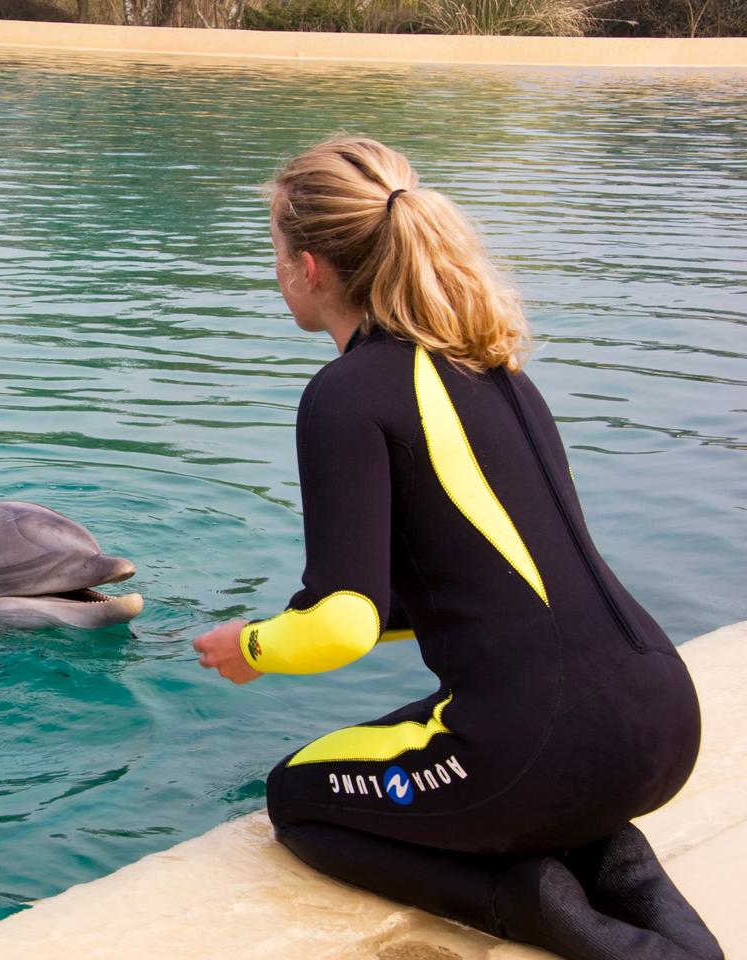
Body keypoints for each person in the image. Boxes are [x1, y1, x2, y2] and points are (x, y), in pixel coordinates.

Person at [192, 136, 722, 960]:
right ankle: (661, 919)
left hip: (537, 744)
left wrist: (253, 645)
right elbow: (477, 583)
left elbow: (343, 625)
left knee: (296, 796)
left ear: (310, 268)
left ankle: (523, 900)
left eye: (275, 253)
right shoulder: (496, 369)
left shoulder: (344, 396)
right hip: (661, 717)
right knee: (521, 765)